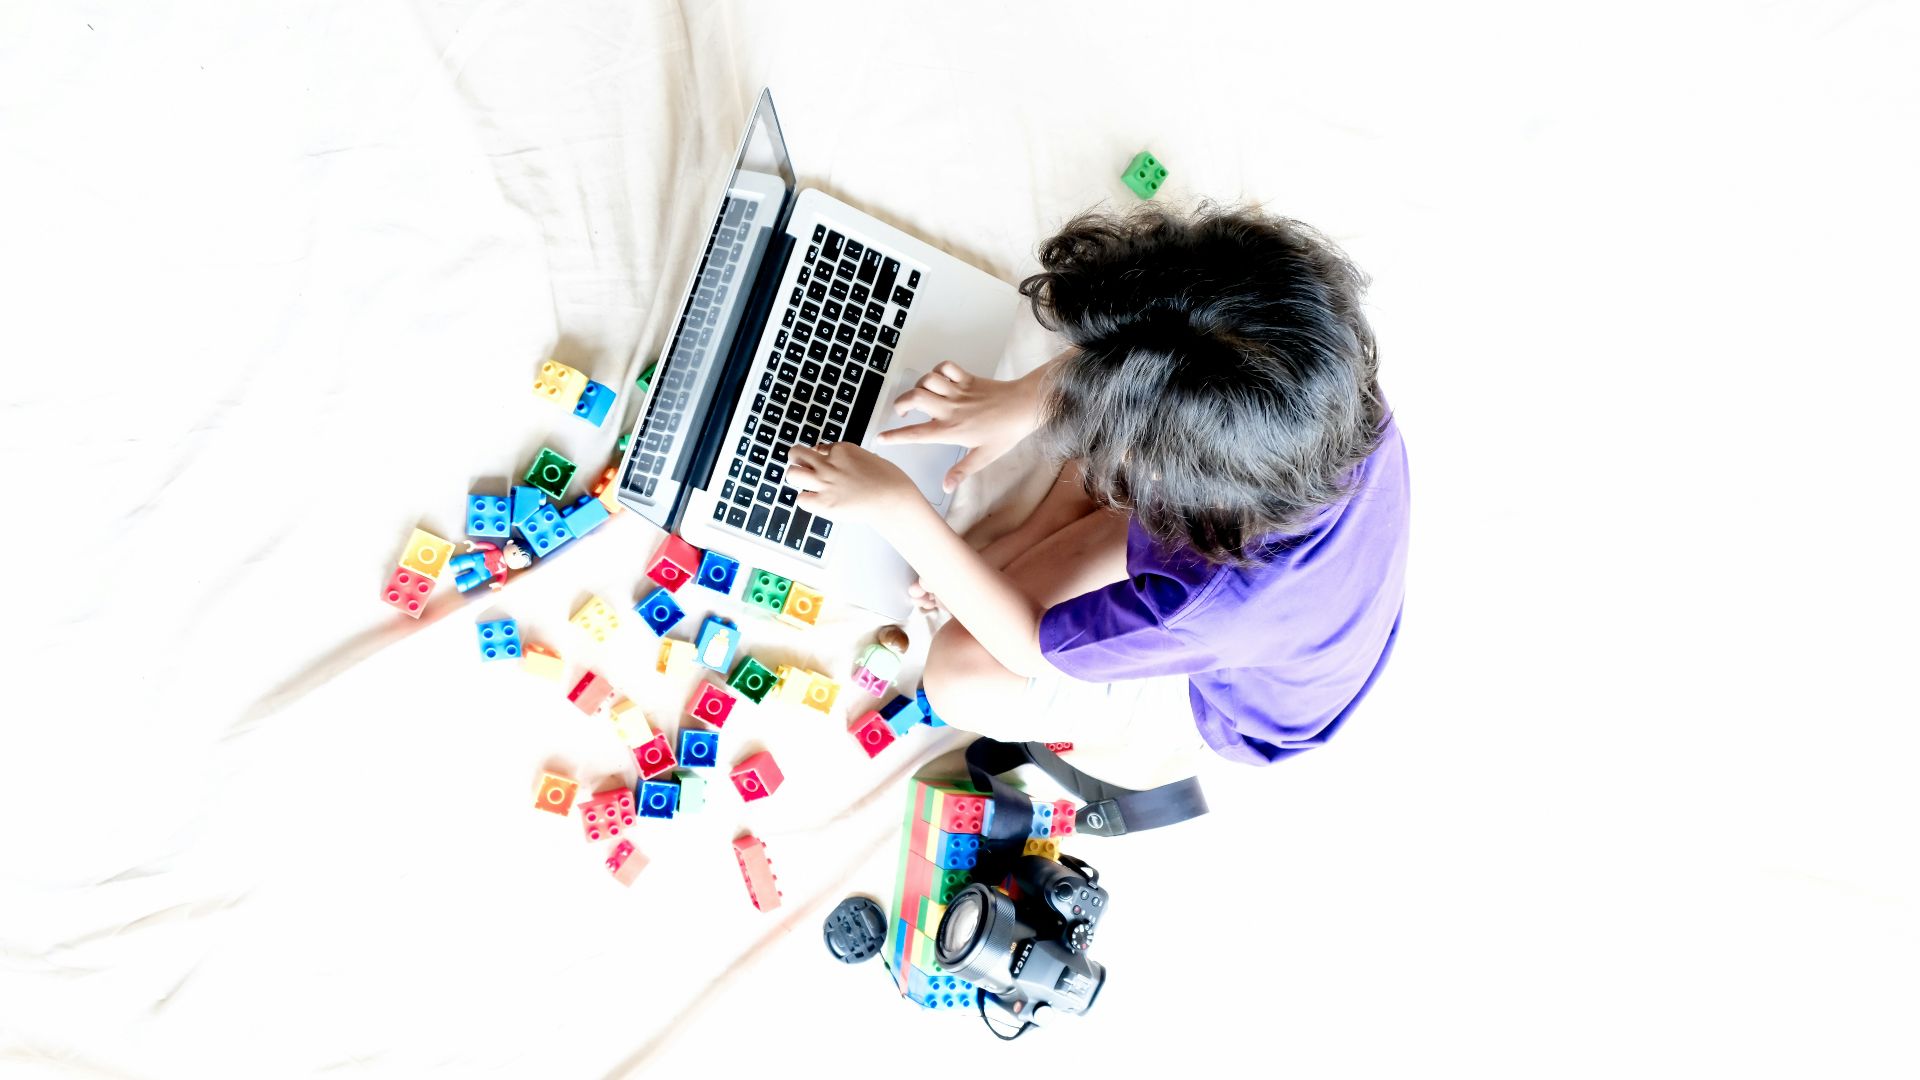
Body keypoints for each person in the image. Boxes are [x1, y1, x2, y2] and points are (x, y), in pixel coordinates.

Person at [787, 203, 1409, 789]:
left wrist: (900, 509)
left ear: (1180, 482)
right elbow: (1170, 352)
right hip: (1295, 589)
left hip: (1226, 698)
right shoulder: (1332, 384)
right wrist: (1019, 403)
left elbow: (1029, 648)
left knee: (956, 677)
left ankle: (1142, 756)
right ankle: (1034, 534)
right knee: (1129, 412)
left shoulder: (1202, 603)